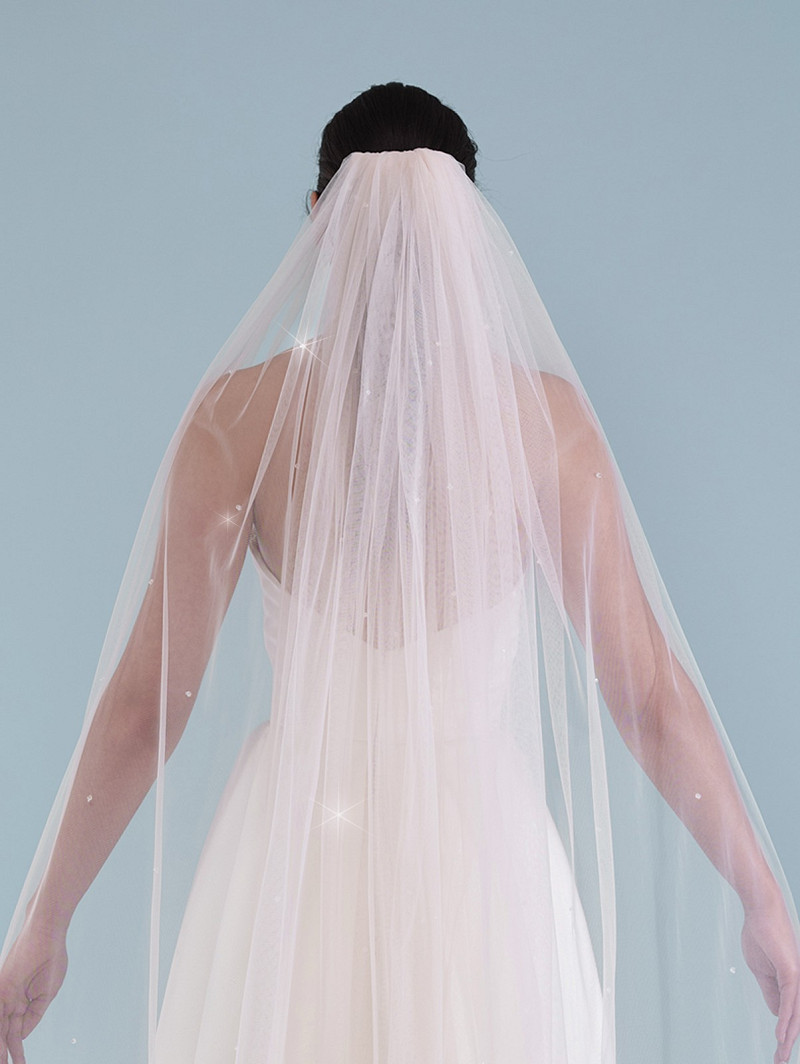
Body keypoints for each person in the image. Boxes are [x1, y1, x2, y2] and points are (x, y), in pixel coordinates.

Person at [1, 82, 798, 1064]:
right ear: (468, 224)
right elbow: (646, 697)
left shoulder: (236, 423)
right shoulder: (544, 425)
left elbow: (144, 708)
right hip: (484, 865)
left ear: (316, 220)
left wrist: (44, 920)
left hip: (291, 860)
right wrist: (762, 896)